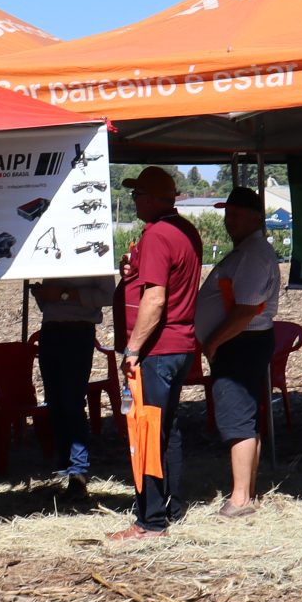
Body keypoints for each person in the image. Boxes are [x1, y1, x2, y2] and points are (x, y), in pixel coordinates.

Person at [115, 166, 203, 540]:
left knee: (147, 431)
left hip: (158, 348)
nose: (134, 202)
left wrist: (133, 349)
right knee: (167, 429)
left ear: (152, 199)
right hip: (181, 345)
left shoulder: (157, 235)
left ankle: (150, 520)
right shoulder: (186, 232)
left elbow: (155, 298)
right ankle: (171, 505)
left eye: (137, 196)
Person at [195, 186, 282, 518]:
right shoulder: (250, 251)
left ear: (255, 217)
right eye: (227, 214)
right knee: (243, 417)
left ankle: (240, 499)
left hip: (241, 342)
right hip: (243, 341)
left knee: (237, 419)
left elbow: (245, 309)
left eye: (235, 214)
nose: (229, 221)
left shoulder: (253, 254)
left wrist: (214, 341)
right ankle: (246, 492)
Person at [34, 274, 110, 502]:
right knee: (55, 401)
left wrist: (64, 294)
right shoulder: (50, 251)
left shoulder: (94, 253)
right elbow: (48, 302)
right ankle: (65, 465)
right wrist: (42, 295)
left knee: (72, 401)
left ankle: (78, 470)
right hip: (50, 330)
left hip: (78, 331)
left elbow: (107, 295)